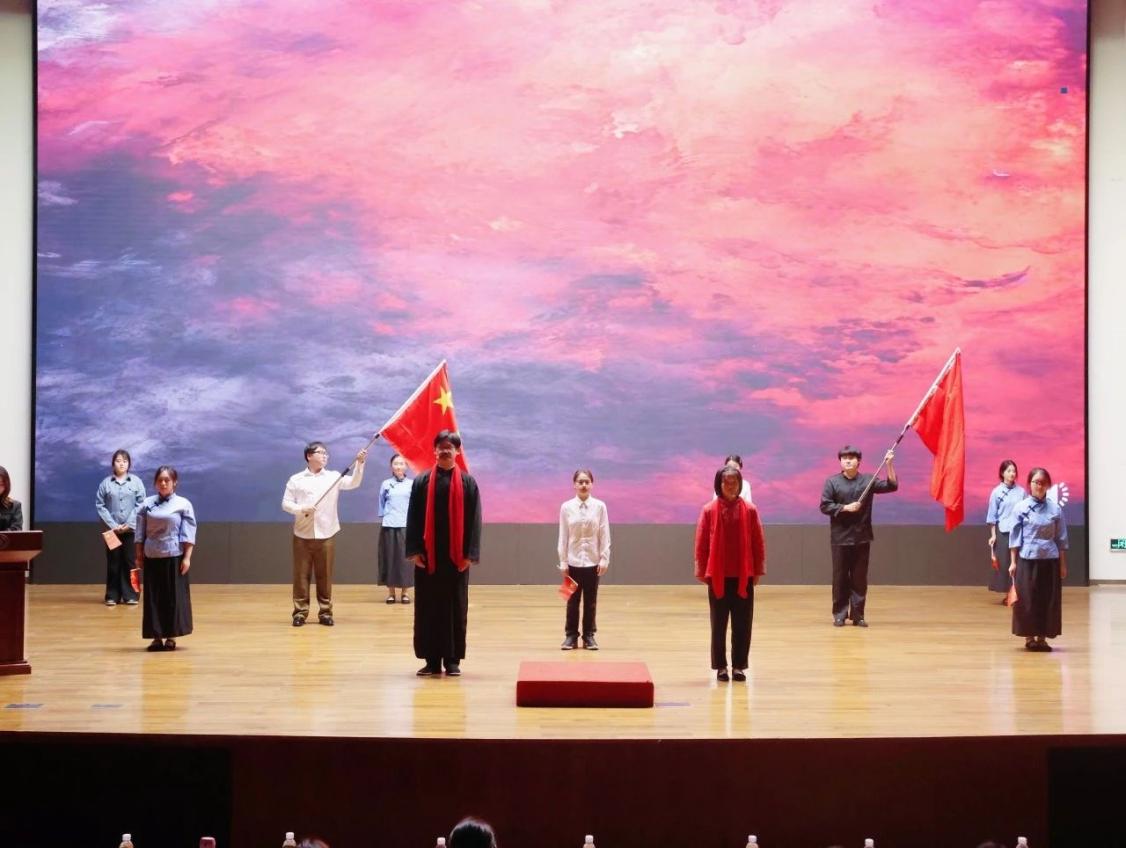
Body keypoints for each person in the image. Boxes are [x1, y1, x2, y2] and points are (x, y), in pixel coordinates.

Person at [405, 430, 482, 677]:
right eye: (441, 446)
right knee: (428, 609)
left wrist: (469, 555)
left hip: (456, 558)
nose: (446, 450)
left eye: (451, 447)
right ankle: (431, 661)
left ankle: (452, 661)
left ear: (457, 451)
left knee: (455, 608)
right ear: (435, 450)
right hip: (428, 558)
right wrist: (415, 551)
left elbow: (474, 521)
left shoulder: (468, 483)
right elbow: (413, 518)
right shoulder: (422, 481)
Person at [281, 441, 367, 627]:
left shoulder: (333, 477)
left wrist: (360, 463)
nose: (325, 456)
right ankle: (300, 613)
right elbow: (286, 503)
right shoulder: (296, 479)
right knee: (301, 576)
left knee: (325, 576)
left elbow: (354, 483)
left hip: (327, 534)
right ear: (309, 456)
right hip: (302, 535)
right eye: (321, 453)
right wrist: (301, 508)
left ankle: (325, 612)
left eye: (326, 453)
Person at [694, 465, 766, 682]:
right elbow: (701, 544)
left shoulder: (750, 510)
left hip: (744, 575)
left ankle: (739, 667)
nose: (731, 486)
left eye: (735, 482)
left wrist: (758, 570)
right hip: (718, 575)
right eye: (726, 482)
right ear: (719, 484)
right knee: (718, 624)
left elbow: (758, 542)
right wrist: (702, 571)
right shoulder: (709, 510)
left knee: (742, 624)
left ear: (740, 484)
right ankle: (721, 667)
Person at [819, 445, 898, 627]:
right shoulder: (832, 482)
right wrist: (845, 507)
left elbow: (892, 486)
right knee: (840, 578)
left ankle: (858, 615)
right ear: (840, 461)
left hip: (862, 537)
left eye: (852, 458)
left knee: (859, 579)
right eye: (844, 458)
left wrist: (889, 464)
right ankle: (839, 614)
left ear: (859, 461)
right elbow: (825, 506)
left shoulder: (868, 481)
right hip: (840, 538)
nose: (848, 461)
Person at [135, 466, 196, 651]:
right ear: (155, 483)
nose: (163, 483)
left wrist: (187, 558)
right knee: (154, 599)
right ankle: (156, 637)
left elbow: (188, 533)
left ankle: (171, 636)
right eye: (160, 480)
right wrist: (138, 555)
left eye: (167, 480)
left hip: (174, 556)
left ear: (174, 482)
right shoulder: (146, 504)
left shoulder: (183, 504)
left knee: (172, 599)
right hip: (152, 556)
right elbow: (140, 532)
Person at [1008, 466, 1067, 652]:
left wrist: (1062, 565)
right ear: (1029, 484)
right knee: (1027, 600)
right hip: (1027, 560)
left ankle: (1042, 638)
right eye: (1035, 482)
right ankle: (1029, 638)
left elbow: (1061, 539)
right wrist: (1013, 562)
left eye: (1043, 483)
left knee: (1046, 600)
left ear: (1048, 485)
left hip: (1050, 560)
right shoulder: (1020, 508)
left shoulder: (1055, 509)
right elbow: (1014, 538)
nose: (1039, 486)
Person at [557, 469, 611, 650]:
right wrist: (563, 561)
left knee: (591, 601)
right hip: (572, 562)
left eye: (587, 482)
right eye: (580, 482)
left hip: (592, 562)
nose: (583, 485)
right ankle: (570, 636)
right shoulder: (566, 507)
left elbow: (604, 533)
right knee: (571, 601)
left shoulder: (600, 506)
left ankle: (589, 636)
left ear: (592, 484)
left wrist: (604, 558)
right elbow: (563, 536)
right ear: (574, 484)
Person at [95, 449, 147, 606]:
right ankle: (112, 595)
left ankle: (133, 595)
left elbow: (141, 504)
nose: (121, 464)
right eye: (118, 461)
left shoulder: (136, 482)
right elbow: (100, 505)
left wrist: (129, 523)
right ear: (113, 464)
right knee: (114, 562)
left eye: (125, 461)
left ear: (129, 464)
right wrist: (113, 525)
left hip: (132, 530)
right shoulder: (105, 483)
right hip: (111, 532)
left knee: (131, 563)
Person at [986, 459, 1025, 599]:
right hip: (1003, 532)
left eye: (1014, 471)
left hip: (1019, 532)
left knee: (1019, 563)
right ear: (1002, 473)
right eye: (1009, 471)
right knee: (1005, 563)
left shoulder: (1021, 492)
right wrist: (993, 535)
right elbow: (992, 516)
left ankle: (1019, 593)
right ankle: (1009, 594)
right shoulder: (996, 492)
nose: (1012, 473)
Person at [377, 453, 414, 604]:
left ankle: (405, 593)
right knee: (390, 559)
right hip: (389, 525)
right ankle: (391, 593)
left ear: (406, 466)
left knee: (405, 560)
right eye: (396, 464)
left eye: (402, 463)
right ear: (391, 467)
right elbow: (381, 503)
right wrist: (385, 516)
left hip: (406, 526)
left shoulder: (412, 484)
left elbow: (415, 505)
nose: (399, 466)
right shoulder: (385, 484)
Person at [0, 466, 22, 531]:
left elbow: (16, 529)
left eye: (1, 484)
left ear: (6, 485)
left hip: (6, 538)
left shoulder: (15, 506)